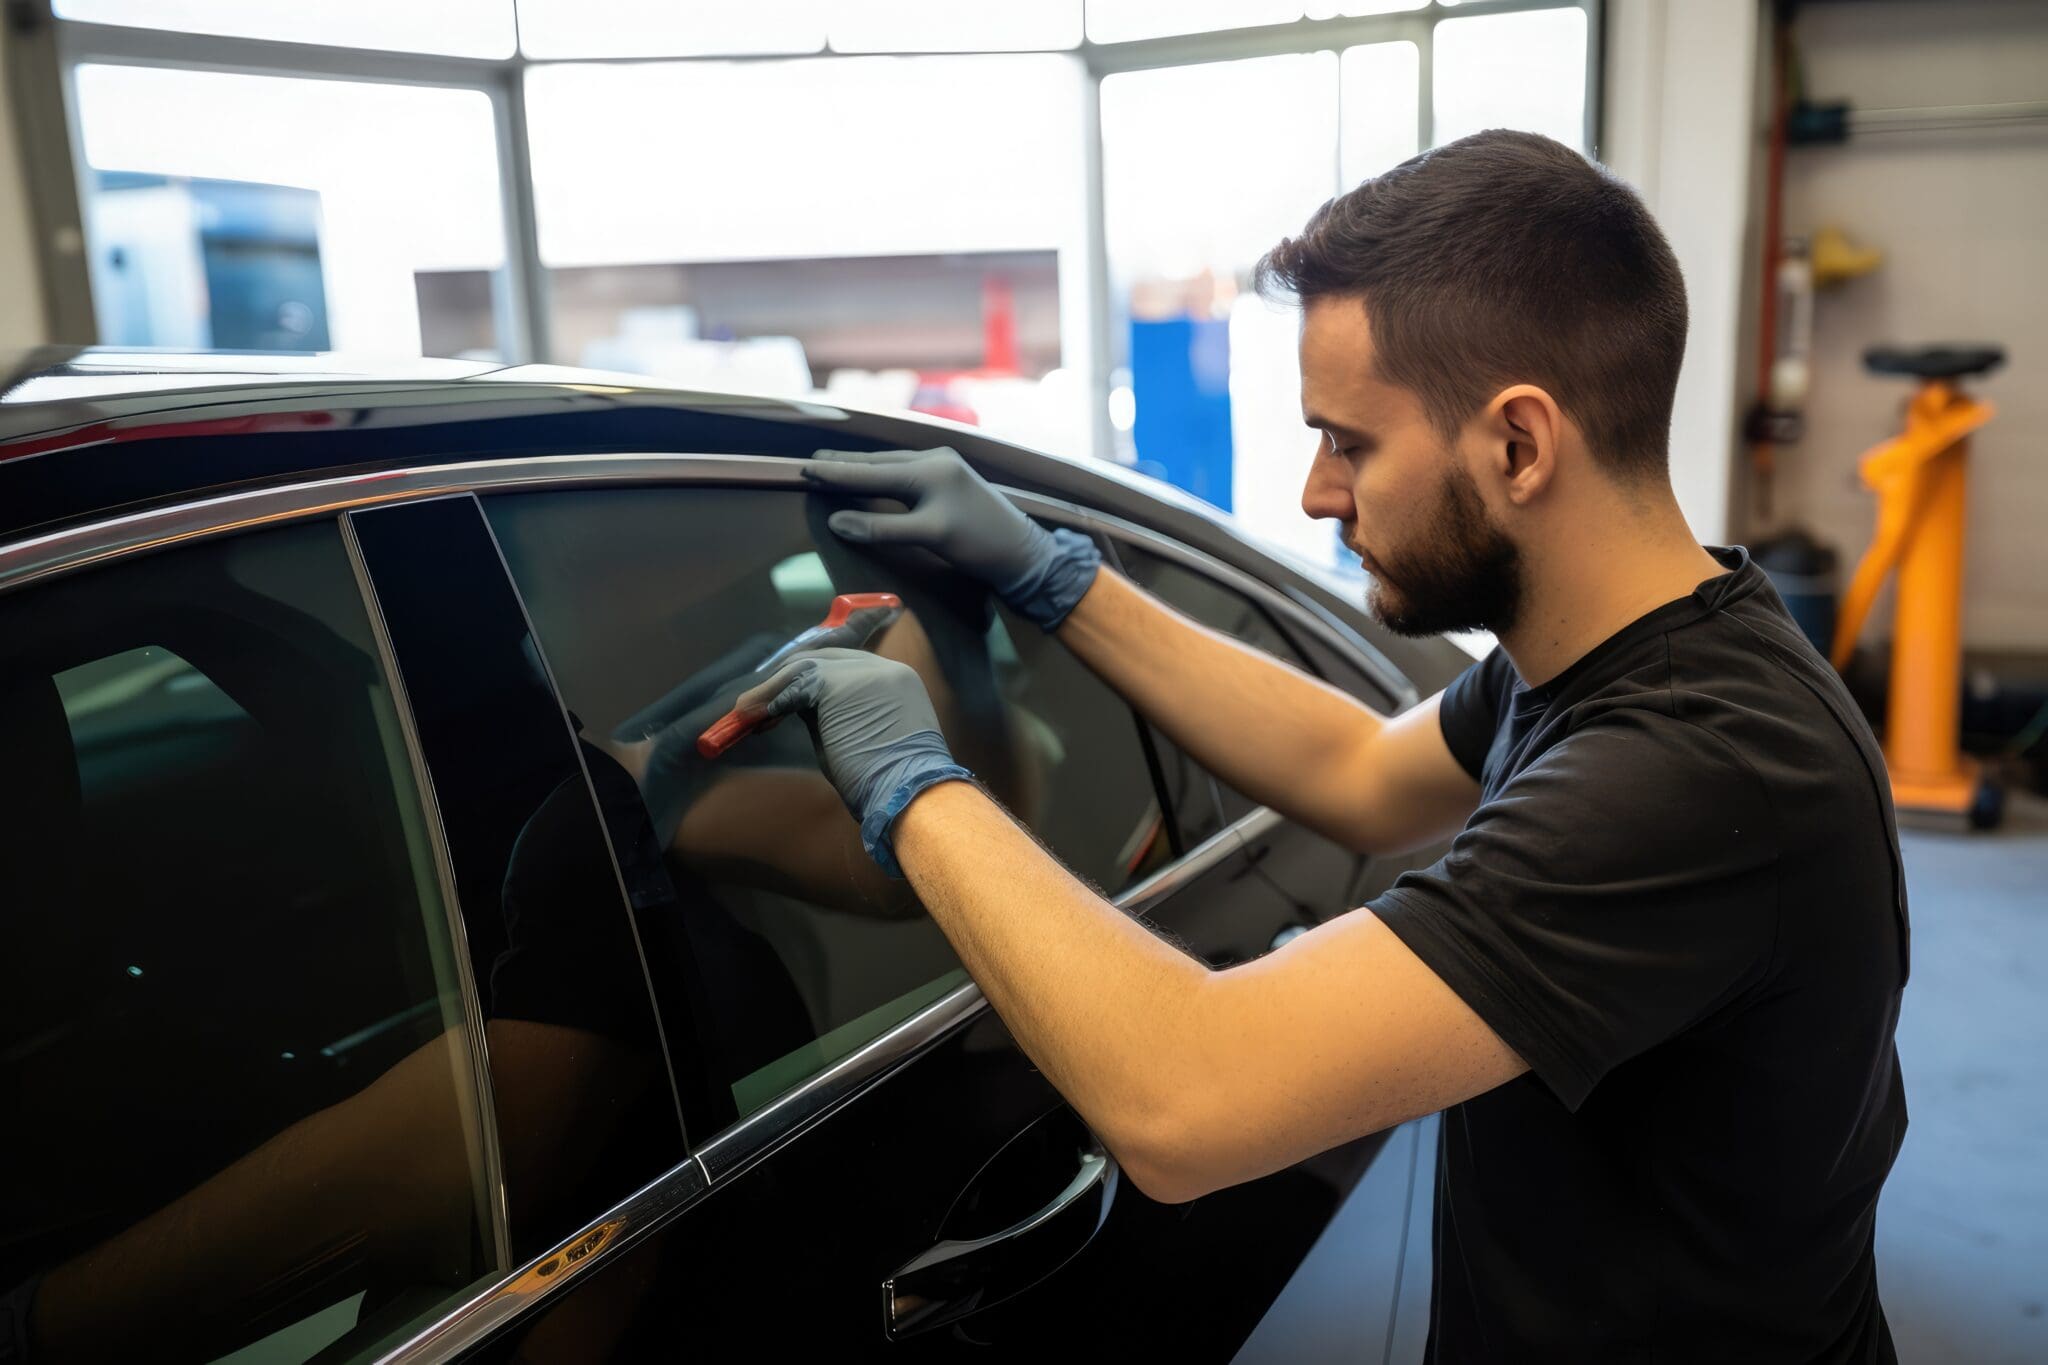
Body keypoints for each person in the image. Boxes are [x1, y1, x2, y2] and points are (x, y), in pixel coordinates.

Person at [745, 130, 1909, 1363]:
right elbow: (1357, 774)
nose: (1316, 492)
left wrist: (910, 781)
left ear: (1517, 446)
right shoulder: (1612, 651)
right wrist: (1059, 583)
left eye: (1348, 441)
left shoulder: (1690, 767)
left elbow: (1183, 1102)